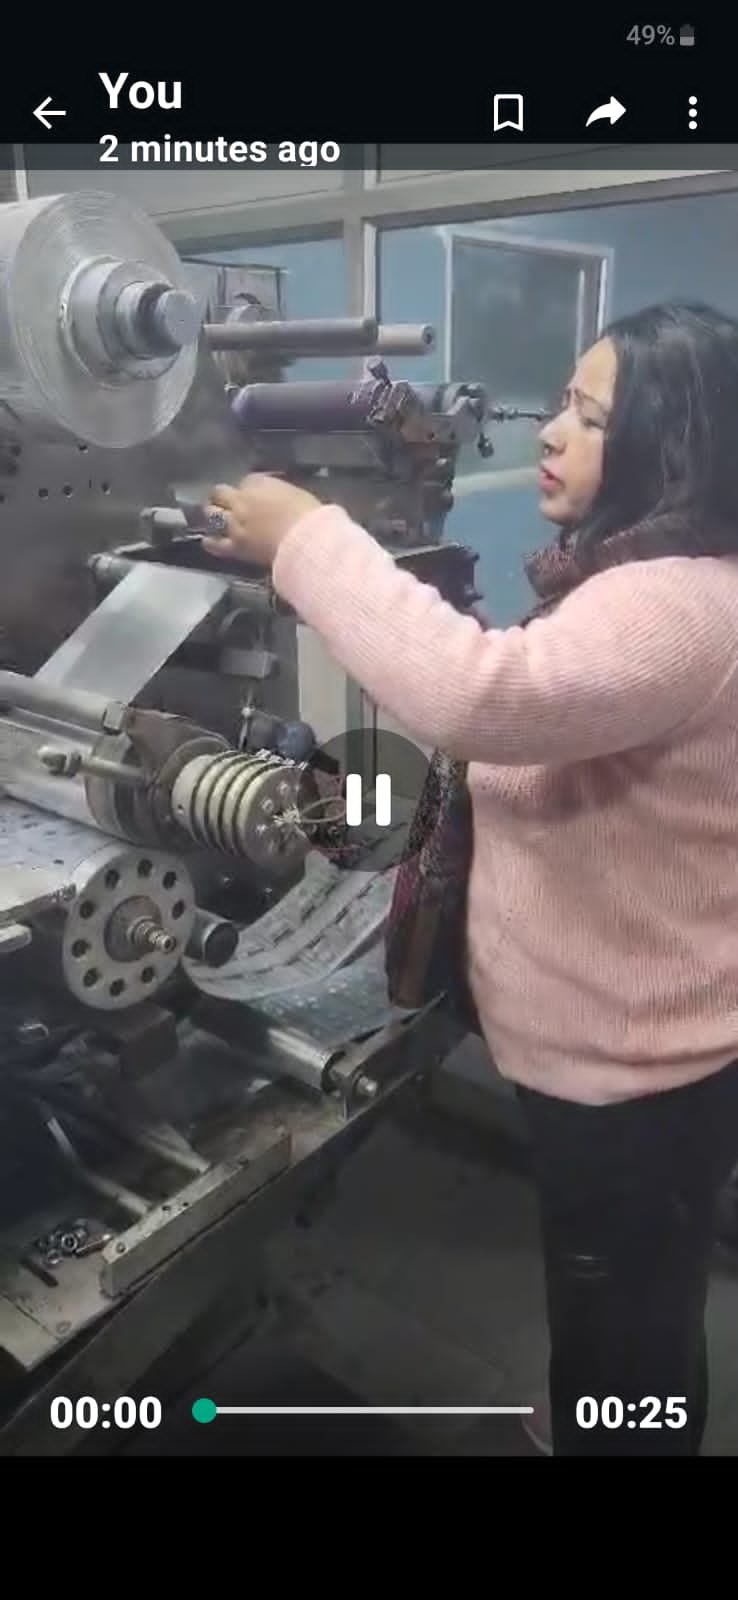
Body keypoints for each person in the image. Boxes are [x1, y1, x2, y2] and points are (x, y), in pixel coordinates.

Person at [204, 302, 738, 1457]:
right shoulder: (633, 578)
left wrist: (307, 536)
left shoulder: (680, 603)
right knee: (625, 1286)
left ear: (673, 444)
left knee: (627, 1310)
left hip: (638, 1074)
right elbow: (544, 713)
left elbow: (480, 699)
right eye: (562, 404)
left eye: (591, 415)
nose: (550, 432)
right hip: (616, 1043)